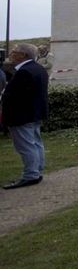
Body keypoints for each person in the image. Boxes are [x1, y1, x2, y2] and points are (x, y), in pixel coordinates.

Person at [1, 44, 49, 189]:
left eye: (14, 52)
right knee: (35, 143)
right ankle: (37, 171)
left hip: (22, 114)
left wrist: (4, 97)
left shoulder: (25, 71)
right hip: (34, 113)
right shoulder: (38, 68)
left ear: (23, 55)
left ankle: (31, 174)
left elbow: (15, 95)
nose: (11, 54)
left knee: (26, 146)